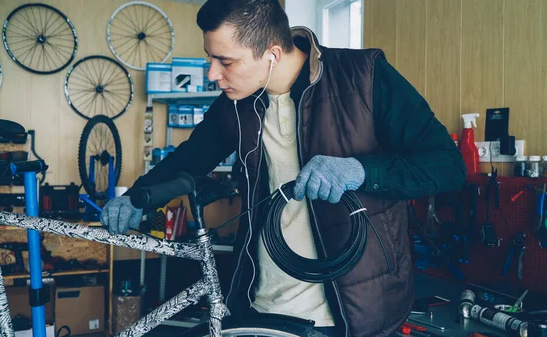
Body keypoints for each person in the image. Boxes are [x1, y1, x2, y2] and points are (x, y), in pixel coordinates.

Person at [100, 0, 466, 336]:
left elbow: (447, 166)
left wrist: (360, 170)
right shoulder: (238, 101)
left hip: (351, 309)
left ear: (272, 54)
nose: (213, 74)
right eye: (210, 58)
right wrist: (136, 197)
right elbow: (191, 156)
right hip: (261, 298)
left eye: (226, 61)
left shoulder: (365, 78)